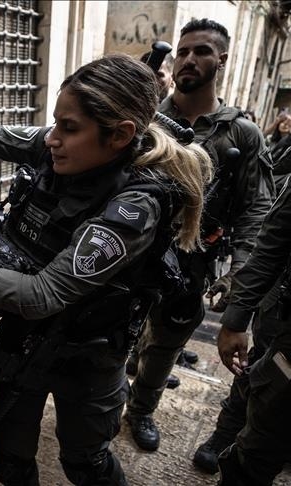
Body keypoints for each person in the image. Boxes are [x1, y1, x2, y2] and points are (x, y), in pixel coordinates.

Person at [0, 54, 212, 485]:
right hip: (27, 339)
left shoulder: (136, 206)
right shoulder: (59, 147)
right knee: (7, 459)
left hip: (91, 352)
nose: (53, 138)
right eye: (56, 123)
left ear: (119, 136)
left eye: (70, 127)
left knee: (86, 463)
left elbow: (43, 295)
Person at [126, 18, 275, 457]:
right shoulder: (149, 115)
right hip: (132, 250)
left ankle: (140, 410)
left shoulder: (241, 133)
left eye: (202, 51)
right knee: (116, 331)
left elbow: (255, 210)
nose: (189, 59)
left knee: (168, 340)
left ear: (221, 60)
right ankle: (113, 387)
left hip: (193, 257)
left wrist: (240, 279)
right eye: (184, 52)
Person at [214, 178, 291, 485]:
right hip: (283, 330)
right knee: (259, 443)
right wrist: (235, 320)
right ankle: (223, 436)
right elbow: (271, 246)